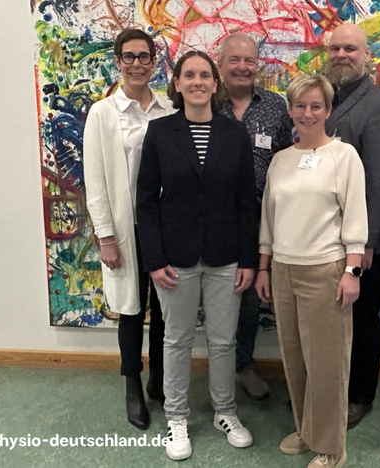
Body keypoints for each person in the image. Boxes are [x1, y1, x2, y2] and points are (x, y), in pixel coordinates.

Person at [136, 50, 257, 461]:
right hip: (175, 257)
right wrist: (154, 259)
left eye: (205, 75)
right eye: (189, 75)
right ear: (178, 83)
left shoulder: (234, 133)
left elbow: (246, 201)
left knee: (224, 341)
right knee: (176, 340)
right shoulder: (160, 132)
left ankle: (225, 411)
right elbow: (146, 202)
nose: (198, 82)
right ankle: (176, 417)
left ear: (215, 83)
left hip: (226, 256)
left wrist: (248, 259)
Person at [255, 73, 367, 468]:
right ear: (290, 110)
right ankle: (306, 429)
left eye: (316, 106)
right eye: (300, 106)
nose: (307, 113)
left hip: (325, 271)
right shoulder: (281, 160)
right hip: (284, 270)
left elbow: (356, 216)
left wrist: (352, 271)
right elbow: (268, 218)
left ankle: (332, 447)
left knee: (327, 363)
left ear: (328, 110)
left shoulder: (344, 156)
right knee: (295, 359)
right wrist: (264, 266)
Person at [83, 28, 174, 431]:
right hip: (126, 228)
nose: (137, 64)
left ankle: (159, 379)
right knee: (132, 311)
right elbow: (95, 180)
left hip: (164, 227)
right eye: (129, 56)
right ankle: (133, 385)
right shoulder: (103, 114)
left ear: (155, 62)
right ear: (118, 61)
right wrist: (106, 236)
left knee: (166, 308)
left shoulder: (168, 109)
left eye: (145, 56)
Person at [323, 22, 380, 430]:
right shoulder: (325, 100)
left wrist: (366, 243)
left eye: (350, 49)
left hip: (365, 242)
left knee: (361, 319)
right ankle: (331, 391)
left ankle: (359, 396)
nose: (342, 55)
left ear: (367, 56)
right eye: (335, 49)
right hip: (328, 238)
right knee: (334, 320)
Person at [217, 33, 294, 400]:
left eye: (249, 60)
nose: (242, 67)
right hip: (213, 220)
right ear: (220, 64)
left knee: (248, 298)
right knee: (215, 296)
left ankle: (243, 366)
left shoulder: (276, 107)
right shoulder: (204, 101)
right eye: (234, 60)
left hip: (259, 220)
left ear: (257, 65)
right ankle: (217, 372)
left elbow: (288, 160)